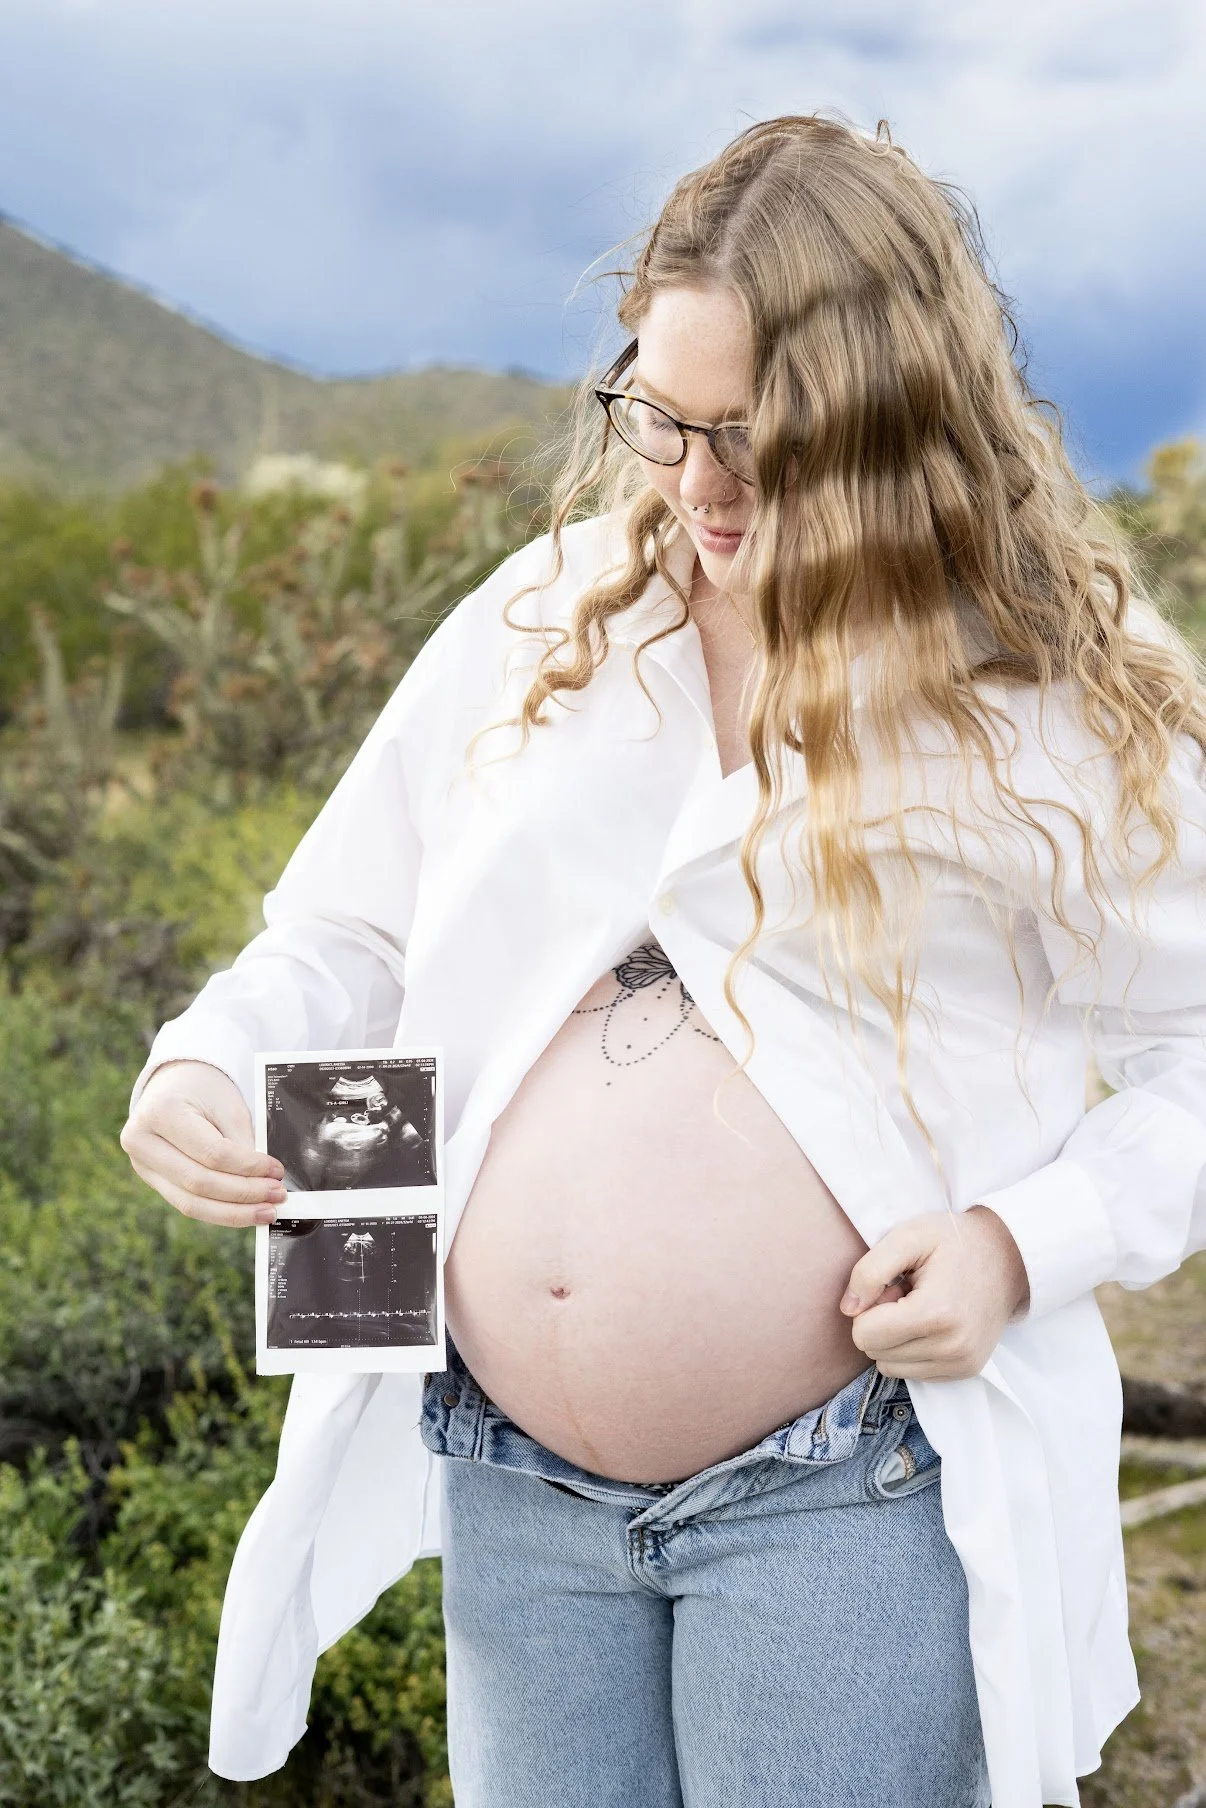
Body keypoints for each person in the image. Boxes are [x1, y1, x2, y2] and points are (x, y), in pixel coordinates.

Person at [119, 114, 1206, 1808]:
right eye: (662, 417)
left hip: (846, 1493)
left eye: (759, 439)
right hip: (504, 1477)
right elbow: (342, 931)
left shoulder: (1044, 680)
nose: (697, 486)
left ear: (892, 420)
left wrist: (1022, 1241)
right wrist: (202, 1062)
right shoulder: (541, 617)